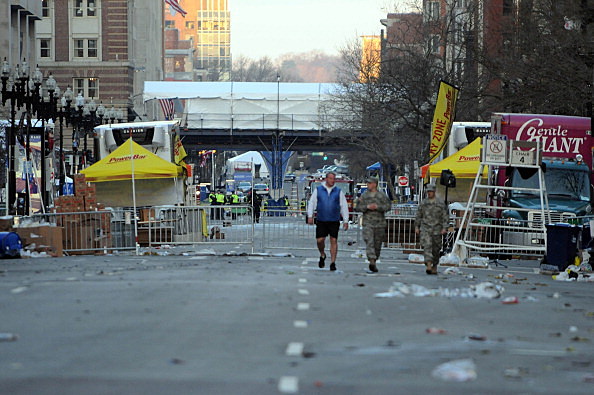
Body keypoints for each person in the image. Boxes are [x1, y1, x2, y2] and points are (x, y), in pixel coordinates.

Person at [307, 172, 349, 271]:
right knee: (320, 240)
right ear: (326, 179)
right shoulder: (318, 190)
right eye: (330, 178)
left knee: (333, 240)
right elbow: (312, 203)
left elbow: (344, 206)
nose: (332, 180)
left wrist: (346, 220)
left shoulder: (338, 191)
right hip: (322, 219)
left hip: (334, 219)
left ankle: (333, 262)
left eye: (334, 179)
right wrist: (310, 215)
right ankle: (322, 254)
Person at [354, 177, 391, 273]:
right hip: (368, 223)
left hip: (379, 223)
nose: (368, 185)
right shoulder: (364, 196)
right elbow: (357, 207)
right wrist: (367, 207)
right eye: (368, 183)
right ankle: (372, 260)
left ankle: (375, 258)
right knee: (369, 241)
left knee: (377, 244)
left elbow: (388, 206)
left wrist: (378, 207)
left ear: (375, 184)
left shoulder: (381, 195)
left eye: (370, 183)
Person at [414, 184, 449, 275]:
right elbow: (418, 215)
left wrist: (445, 228)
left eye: (431, 192)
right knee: (427, 246)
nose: (429, 193)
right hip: (426, 228)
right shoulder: (424, 203)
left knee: (436, 249)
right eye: (428, 192)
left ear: (434, 192)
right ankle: (428, 264)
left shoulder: (440, 204)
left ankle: (435, 265)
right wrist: (417, 226)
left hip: (437, 229)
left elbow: (445, 216)